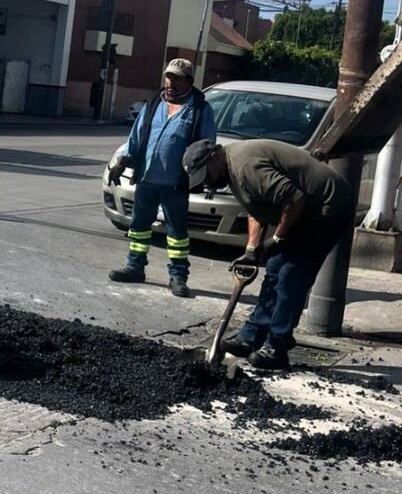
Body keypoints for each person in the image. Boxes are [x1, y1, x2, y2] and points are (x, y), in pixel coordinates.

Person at [181, 138, 354, 369]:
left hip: (327, 206)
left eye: (207, 175)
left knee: (291, 275)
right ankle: (251, 336)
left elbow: (294, 199)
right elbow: (257, 210)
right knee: (274, 269)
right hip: (306, 209)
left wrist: (279, 238)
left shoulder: (245, 167)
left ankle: (277, 347)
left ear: (214, 157)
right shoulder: (231, 170)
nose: (209, 183)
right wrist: (252, 250)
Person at [106, 58, 217, 297]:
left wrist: (207, 175)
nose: (170, 82)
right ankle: (135, 267)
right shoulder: (154, 103)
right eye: (168, 77)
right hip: (146, 178)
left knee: (176, 233)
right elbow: (136, 136)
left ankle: (178, 277)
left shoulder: (199, 110)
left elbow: (206, 146)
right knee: (138, 227)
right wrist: (123, 160)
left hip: (175, 183)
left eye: (176, 78)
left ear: (189, 81)